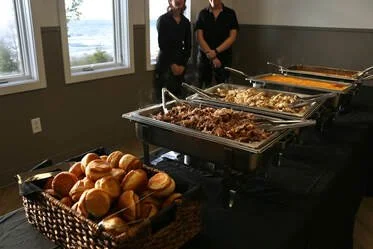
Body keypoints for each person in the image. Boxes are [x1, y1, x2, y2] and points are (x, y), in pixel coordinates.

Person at [153, 0, 192, 102]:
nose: (179, 1)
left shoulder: (186, 22)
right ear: (170, 1)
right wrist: (172, 65)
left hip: (181, 65)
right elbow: (163, 45)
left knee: (180, 101)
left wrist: (183, 65)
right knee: (164, 101)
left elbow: (188, 46)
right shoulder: (163, 20)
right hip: (165, 65)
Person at [195, 0, 239, 88]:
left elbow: (232, 37)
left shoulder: (230, 13)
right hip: (204, 57)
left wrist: (215, 52)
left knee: (222, 89)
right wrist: (211, 55)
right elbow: (199, 37)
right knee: (203, 88)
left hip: (224, 57)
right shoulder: (202, 13)